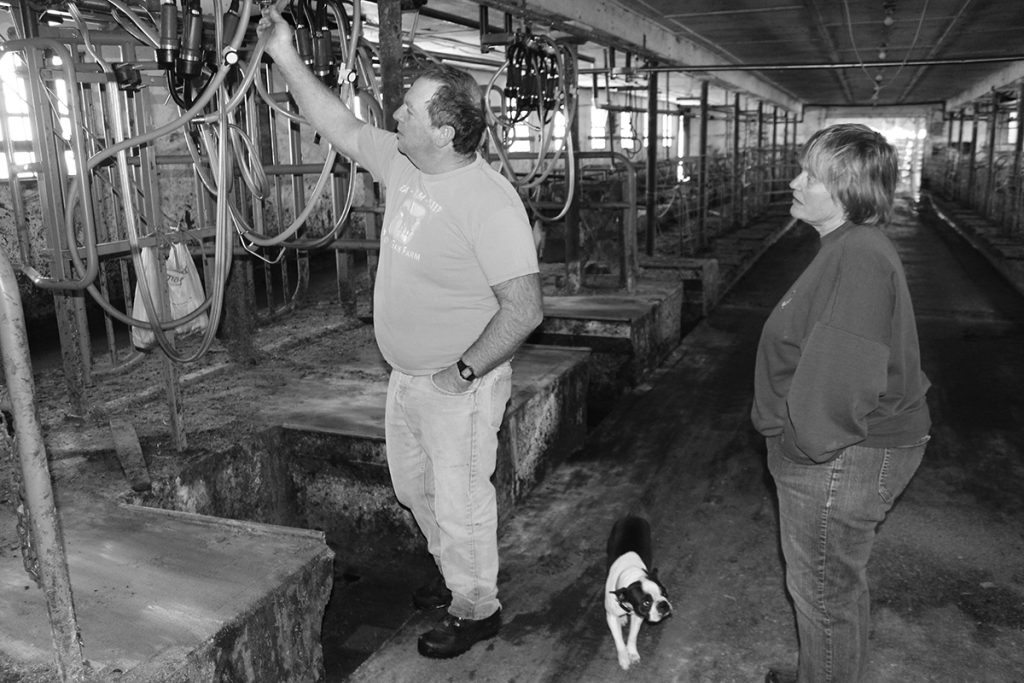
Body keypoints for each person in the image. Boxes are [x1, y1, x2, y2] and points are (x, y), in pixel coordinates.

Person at [257, 9, 544, 659]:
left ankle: (477, 609)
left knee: (462, 499)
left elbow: (524, 309)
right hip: (407, 377)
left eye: (412, 110)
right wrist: (283, 54)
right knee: (418, 490)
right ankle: (455, 581)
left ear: (444, 131)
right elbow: (338, 123)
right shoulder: (406, 164)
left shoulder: (489, 204)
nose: (399, 115)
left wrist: (462, 373)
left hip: (456, 384)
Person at [751, 124, 931, 683]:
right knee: (833, 591)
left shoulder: (858, 256)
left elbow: (843, 378)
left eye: (812, 175)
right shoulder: (845, 247)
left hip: (840, 457)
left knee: (823, 596)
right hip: (844, 454)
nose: (794, 181)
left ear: (848, 191)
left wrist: (800, 449)